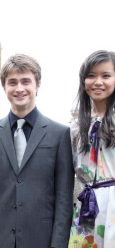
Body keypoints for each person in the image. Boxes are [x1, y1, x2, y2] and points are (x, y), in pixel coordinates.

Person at [0, 53, 75, 248]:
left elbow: (64, 200)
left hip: (41, 240)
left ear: (38, 85)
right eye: (12, 82)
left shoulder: (59, 134)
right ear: (4, 87)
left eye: (26, 81)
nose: (19, 88)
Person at [68, 50, 115, 248]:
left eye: (106, 76)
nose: (98, 82)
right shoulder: (75, 127)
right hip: (86, 208)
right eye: (91, 75)